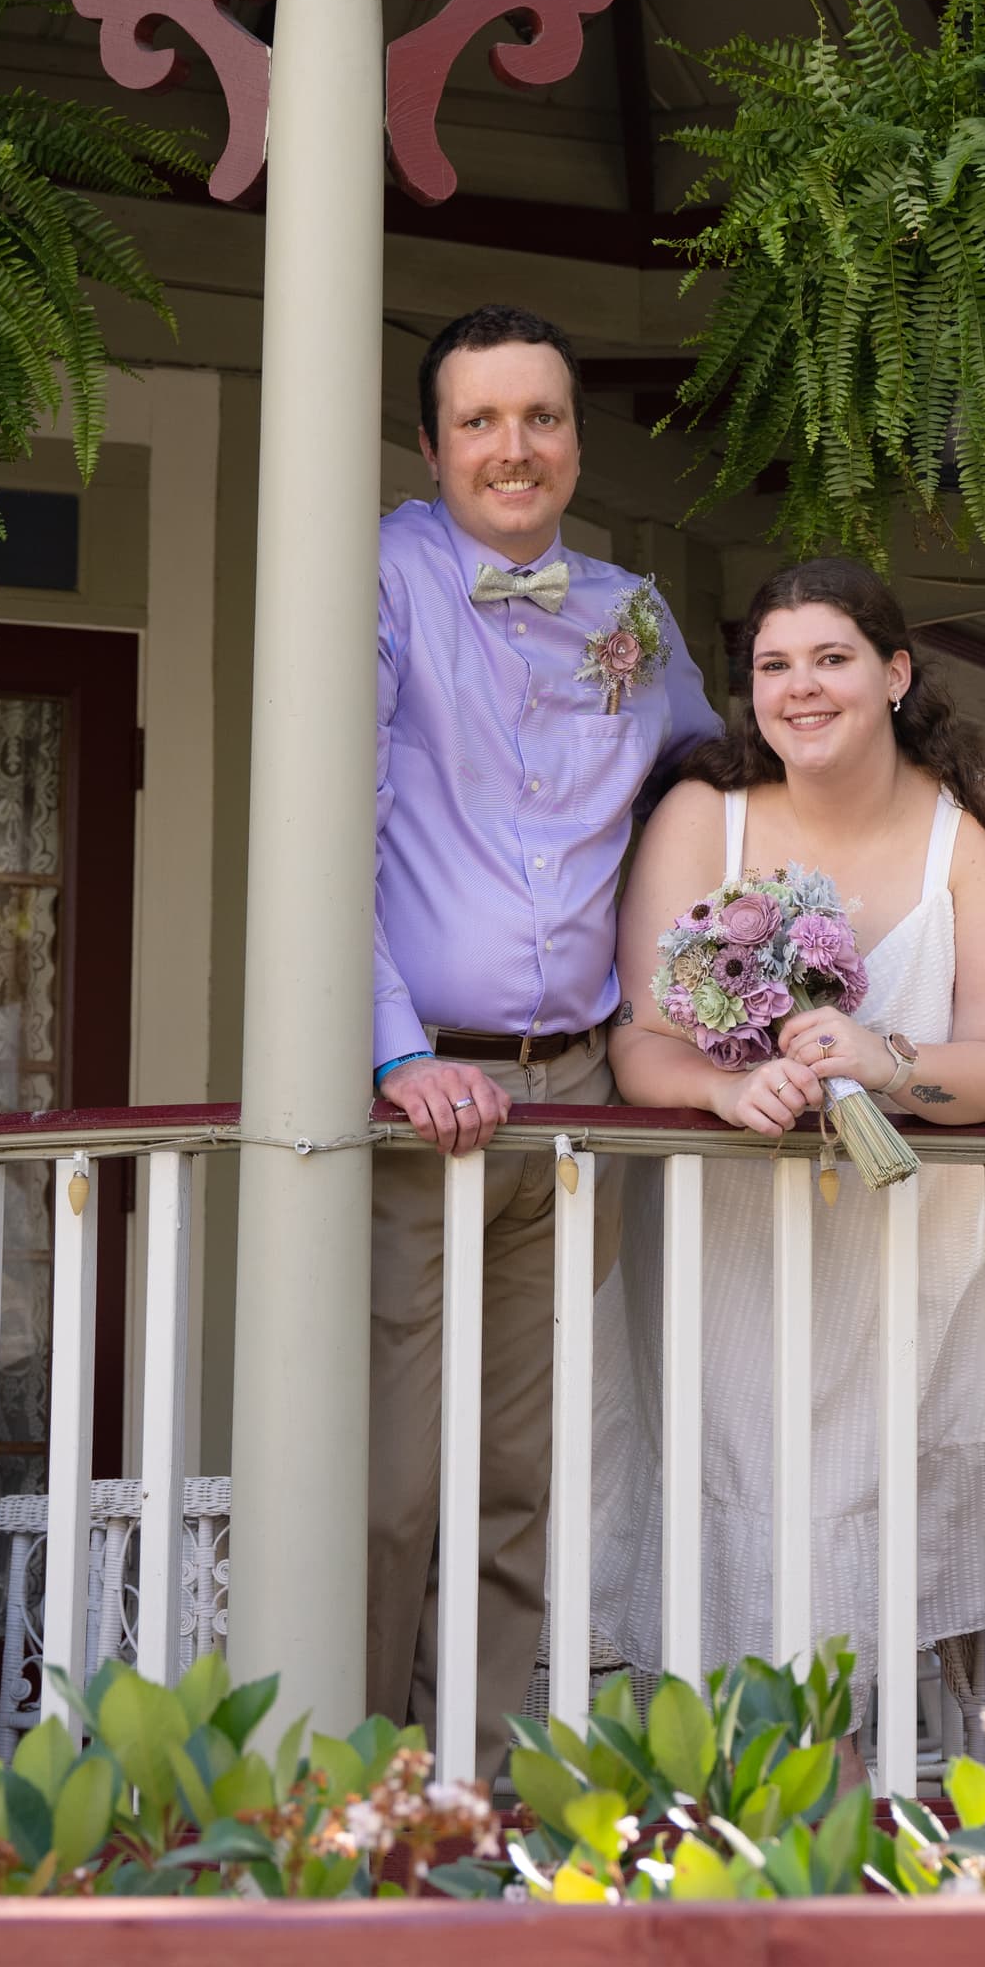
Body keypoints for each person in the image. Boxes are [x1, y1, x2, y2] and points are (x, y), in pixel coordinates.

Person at [603, 557, 985, 1730]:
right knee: (736, 1537)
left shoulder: (975, 830)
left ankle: (859, 1853)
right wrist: (727, 1093)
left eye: (832, 658)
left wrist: (886, 1059)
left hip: (913, 1266)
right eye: (774, 665)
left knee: (883, 1541)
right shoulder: (705, 820)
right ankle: (736, 1857)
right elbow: (640, 1038)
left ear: (893, 674)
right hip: (729, 1256)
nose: (801, 688)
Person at [365, 303, 713, 1737]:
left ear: (576, 439)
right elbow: (329, 826)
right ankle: (349, 1783)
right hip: (418, 1097)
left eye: (542, 418)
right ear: (434, 447)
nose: (515, 449)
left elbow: (718, 786)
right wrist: (392, 1050)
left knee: (520, 1476)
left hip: (572, 1095)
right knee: (390, 1480)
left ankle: (472, 1772)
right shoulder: (379, 579)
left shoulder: (632, 614)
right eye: (481, 422)